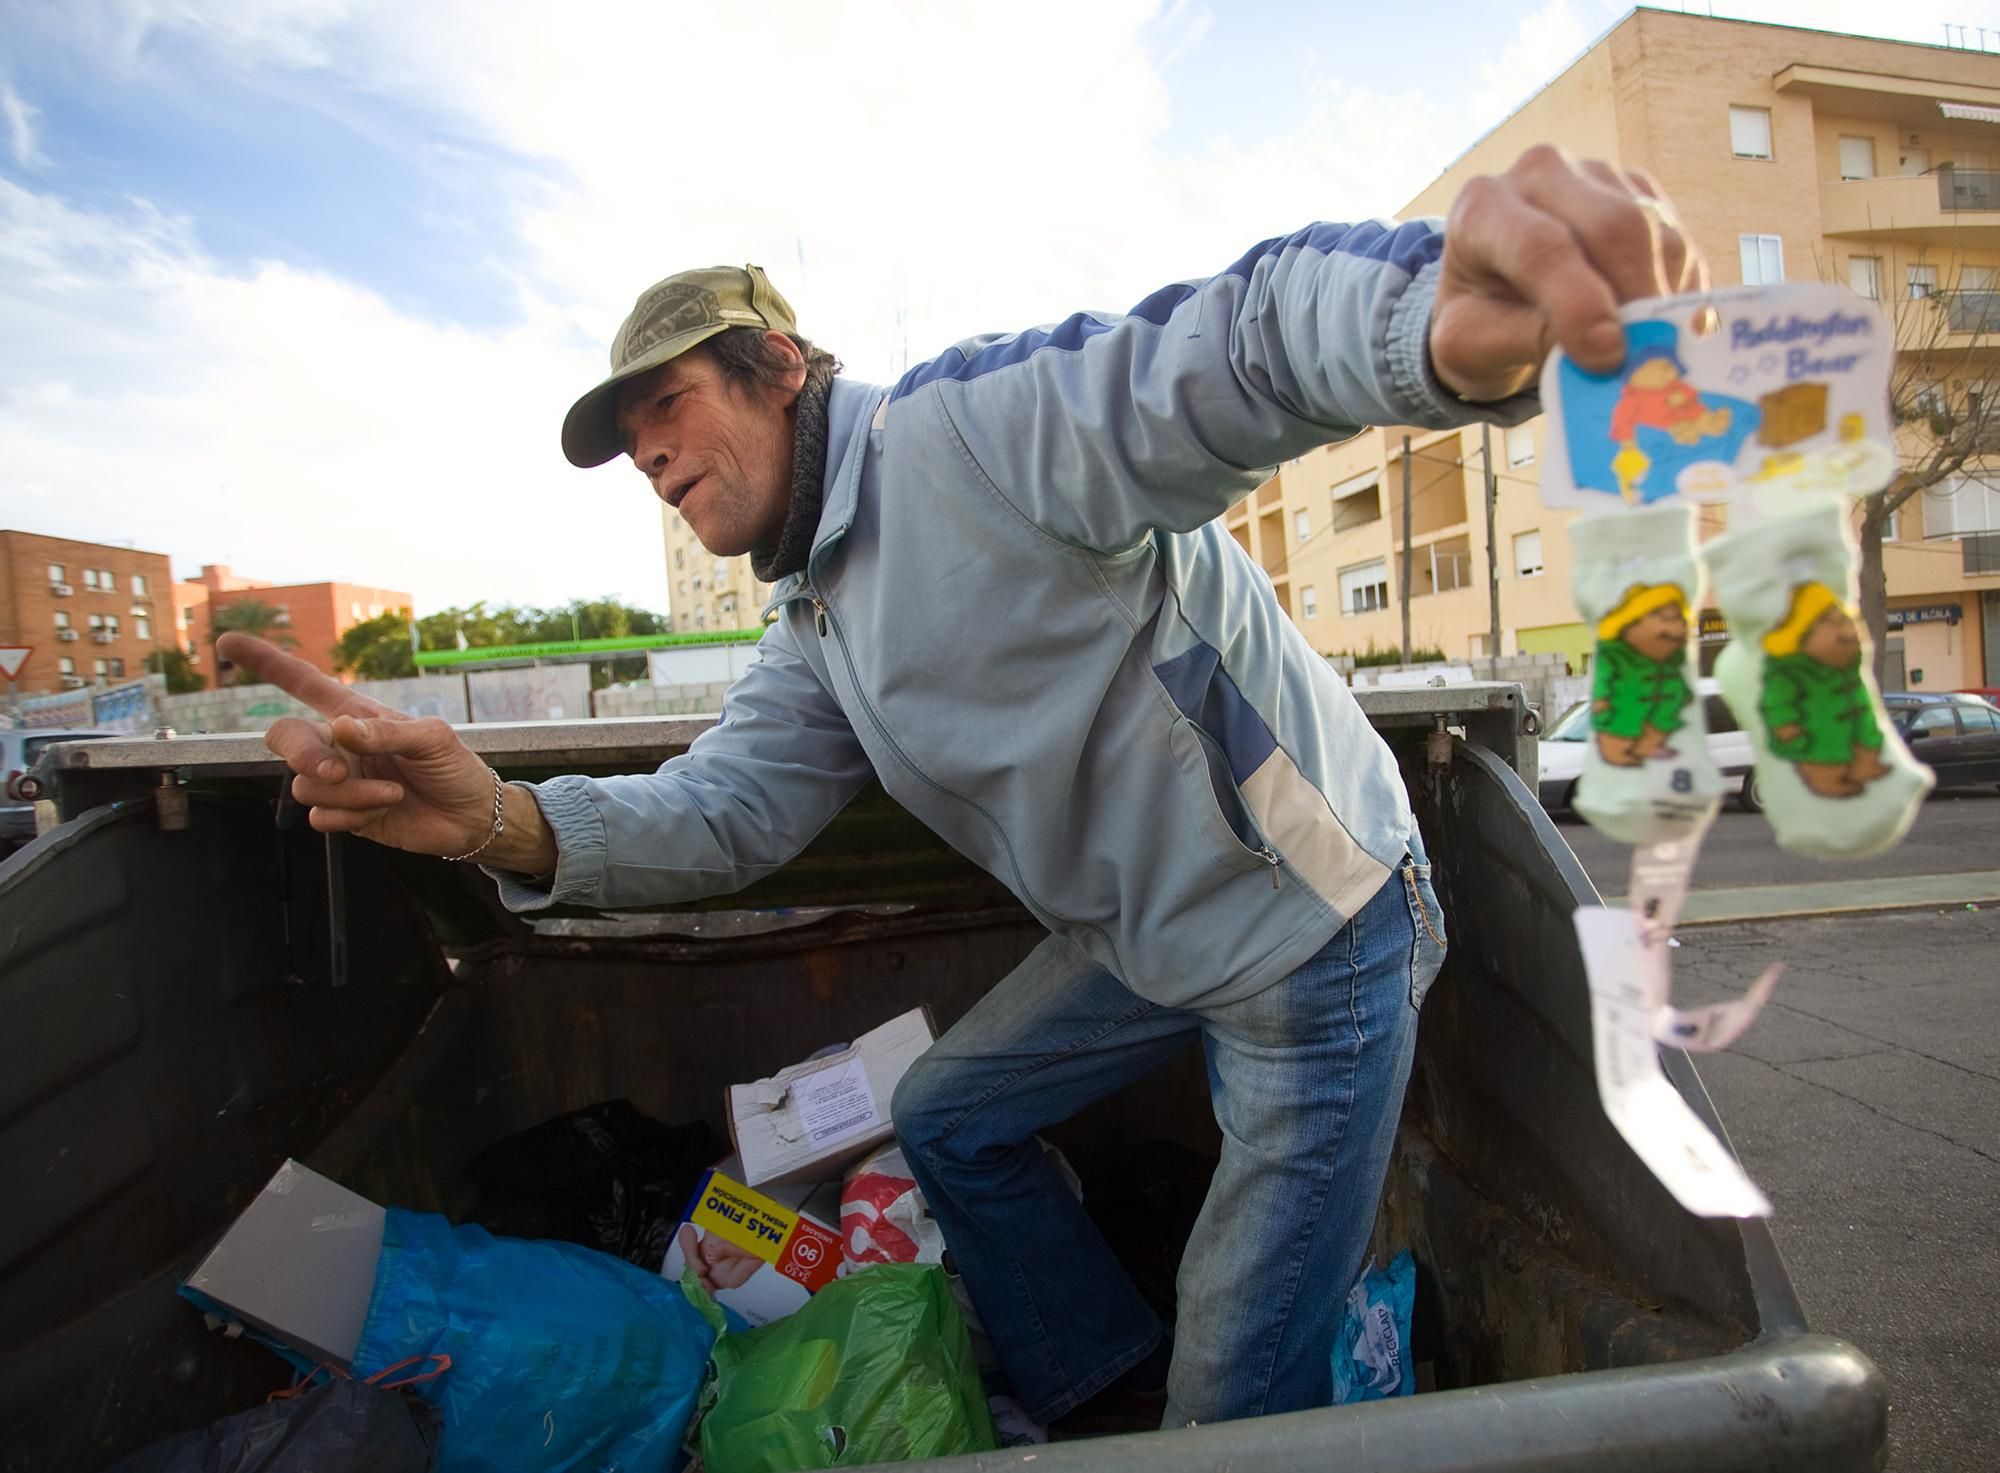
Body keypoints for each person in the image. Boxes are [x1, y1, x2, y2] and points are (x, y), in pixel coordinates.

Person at [221, 144, 1710, 1430]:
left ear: (778, 368)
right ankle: (1096, 1388)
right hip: (1146, 946)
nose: (650, 457)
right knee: (947, 1116)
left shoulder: (972, 432)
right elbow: (722, 814)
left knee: (1232, 1414)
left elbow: (1234, 347)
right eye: (628, 449)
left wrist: (1427, 318)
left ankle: (1182, 1421)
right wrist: (497, 818)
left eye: (665, 405)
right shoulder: (816, 617)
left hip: (1314, 935)